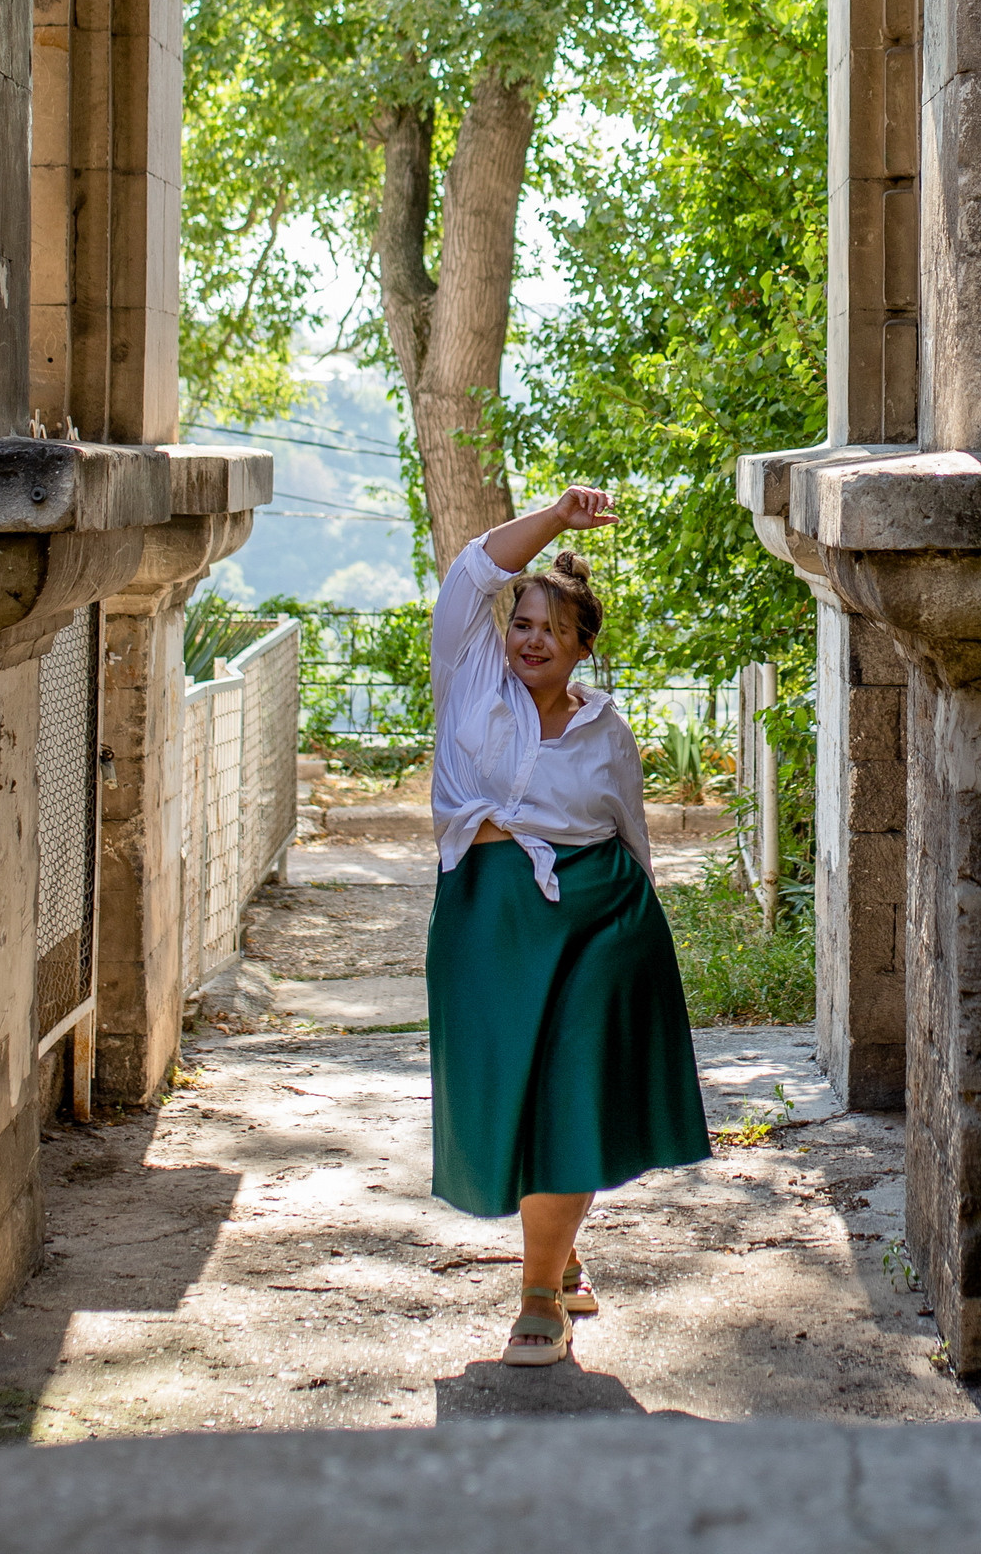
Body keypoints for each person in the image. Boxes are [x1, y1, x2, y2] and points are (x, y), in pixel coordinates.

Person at [424, 483, 709, 1366]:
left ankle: (537, 1294)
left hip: (599, 923)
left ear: (583, 648)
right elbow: (475, 574)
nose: (531, 640)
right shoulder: (468, 675)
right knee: (505, 1092)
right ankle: (559, 1247)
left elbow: (632, 832)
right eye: (522, 624)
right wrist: (552, 518)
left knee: (569, 1093)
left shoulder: (604, 728)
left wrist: (643, 941)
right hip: (487, 917)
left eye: (552, 629)